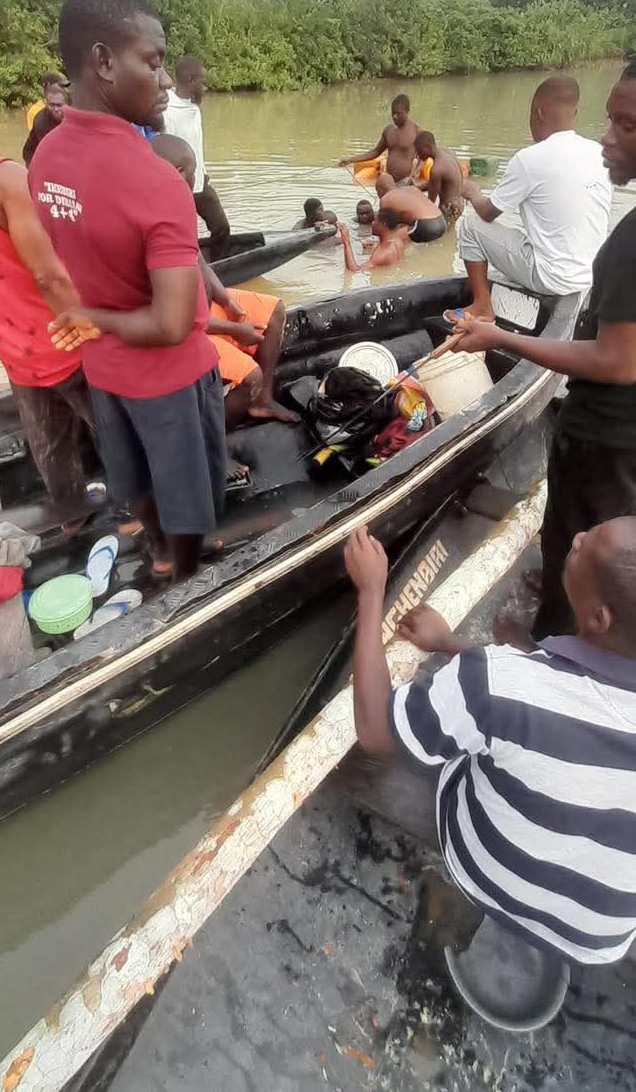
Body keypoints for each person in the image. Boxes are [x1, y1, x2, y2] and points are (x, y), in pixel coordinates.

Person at [345, 518, 636, 967]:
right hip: (595, 939)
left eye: (587, 546)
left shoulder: (497, 679)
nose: (576, 536)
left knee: (424, 729)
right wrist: (448, 643)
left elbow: (377, 733)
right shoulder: (511, 680)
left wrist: (370, 591)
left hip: (488, 875)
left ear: (599, 617)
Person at [29, 0, 227, 583]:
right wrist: (97, 318)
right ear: (104, 62)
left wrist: (93, 319)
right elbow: (170, 323)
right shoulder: (157, 180)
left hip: (106, 372)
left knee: (134, 484)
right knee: (191, 500)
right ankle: (186, 581)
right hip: (168, 375)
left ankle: (162, 555)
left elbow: (72, 260)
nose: (164, 79)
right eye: (154, 60)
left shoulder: (45, 161)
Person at [451, 60, 636, 637]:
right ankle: (558, 593)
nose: (608, 138)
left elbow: (617, 362)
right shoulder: (607, 192)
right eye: (608, 121)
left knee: (584, 538)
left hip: (607, 436)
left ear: (536, 114)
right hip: (582, 299)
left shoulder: (632, 243)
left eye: (626, 126)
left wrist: (501, 334)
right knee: (574, 536)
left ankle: (550, 645)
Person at [152, 135, 298, 427]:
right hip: (186, 330)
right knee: (250, 376)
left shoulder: (178, 204)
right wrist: (233, 329)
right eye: (193, 172)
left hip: (205, 310)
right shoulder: (151, 223)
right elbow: (175, 318)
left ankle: (263, 401)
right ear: (178, 172)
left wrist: (224, 297)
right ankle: (215, 438)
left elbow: (198, 258)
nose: (197, 179)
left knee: (274, 311)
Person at [458, 76, 611, 320]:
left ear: (538, 112)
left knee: (470, 226)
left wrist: (471, 191)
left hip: (552, 278)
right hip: (590, 276)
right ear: (576, 112)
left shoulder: (530, 159)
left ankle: (481, 306)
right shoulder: (600, 153)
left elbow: (487, 212)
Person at [0, 155, 95, 522]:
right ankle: (142, 512)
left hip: (14, 351)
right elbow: (49, 277)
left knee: (51, 447)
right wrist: (94, 331)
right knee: (116, 430)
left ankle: (72, 521)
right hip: (64, 338)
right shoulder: (7, 179)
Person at [162, 55, 230, 259]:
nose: (205, 88)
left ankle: (219, 268)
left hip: (200, 182)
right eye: (203, 82)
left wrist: (204, 173)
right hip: (179, 186)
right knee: (184, 236)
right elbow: (165, 155)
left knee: (221, 227)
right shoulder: (168, 112)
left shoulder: (194, 107)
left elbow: (195, 146)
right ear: (191, 80)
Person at [339, 94, 421, 186]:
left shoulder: (416, 131)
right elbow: (376, 152)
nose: (394, 116)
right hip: (390, 181)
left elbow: (425, 157)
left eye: (398, 113)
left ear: (407, 111)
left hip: (406, 182)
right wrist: (350, 160)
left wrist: (414, 175)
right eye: (393, 113)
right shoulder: (388, 130)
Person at [413, 131, 464, 228]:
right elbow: (436, 183)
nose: (417, 155)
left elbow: (430, 202)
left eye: (418, 151)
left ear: (427, 148)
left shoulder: (436, 169)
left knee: (440, 236)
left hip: (449, 208)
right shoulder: (448, 155)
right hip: (459, 204)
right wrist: (417, 188)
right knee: (450, 233)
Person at [375, 176, 446, 244]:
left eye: (377, 191)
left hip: (425, 226)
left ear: (380, 189)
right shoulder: (411, 189)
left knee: (391, 240)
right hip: (441, 222)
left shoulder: (386, 199)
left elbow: (385, 229)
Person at [338, 209, 408, 272]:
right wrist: (376, 245)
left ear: (383, 224)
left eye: (374, 221)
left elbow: (354, 270)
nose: (372, 223)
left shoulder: (381, 254)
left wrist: (346, 241)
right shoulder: (398, 241)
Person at [22, 81, 67, 168]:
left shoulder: (76, 112)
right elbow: (51, 154)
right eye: (52, 105)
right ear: (46, 103)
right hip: (33, 156)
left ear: (67, 103)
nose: (56, 109)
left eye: (59, 105)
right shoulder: (41, 122)